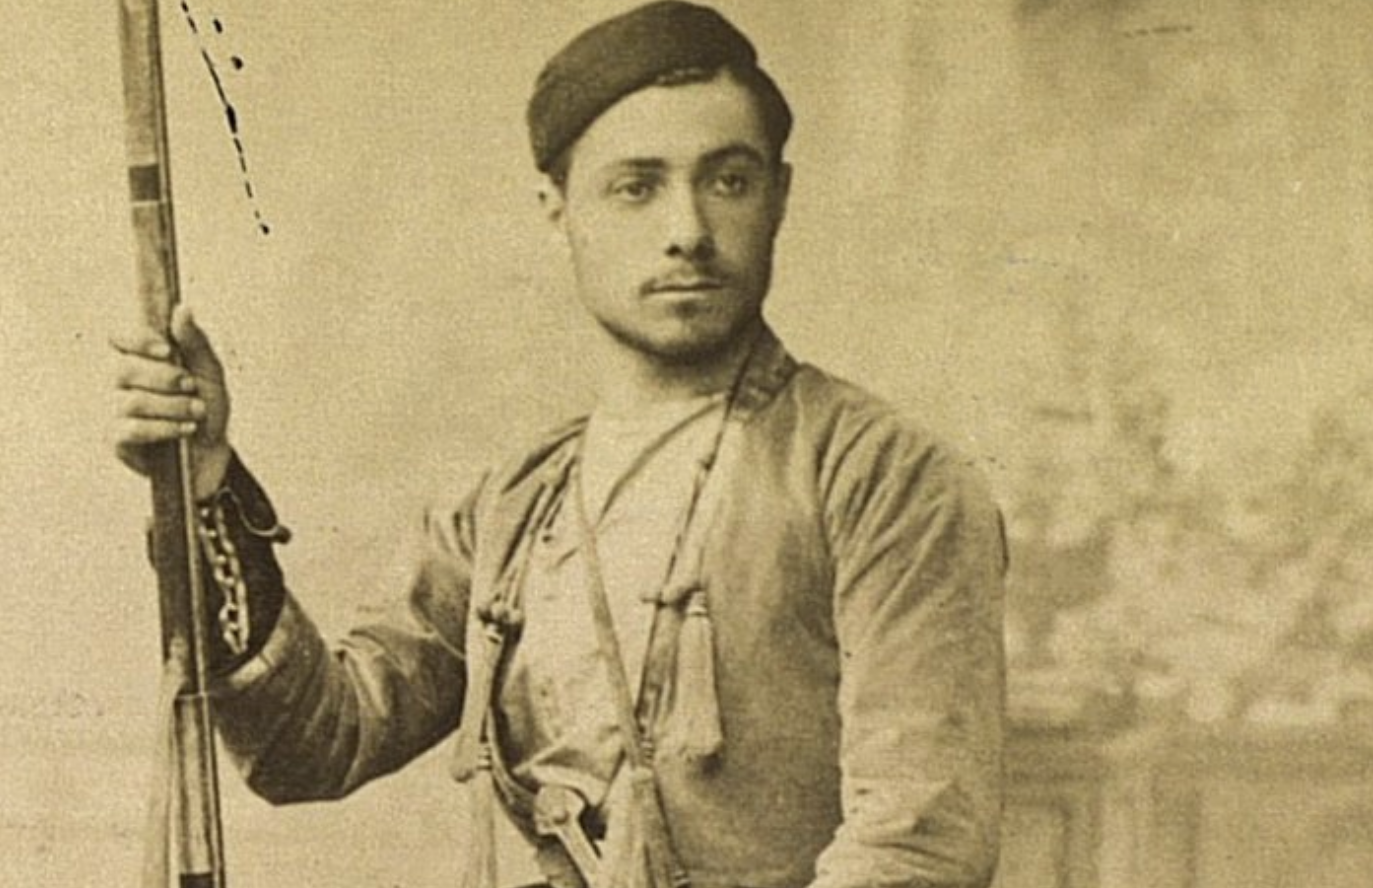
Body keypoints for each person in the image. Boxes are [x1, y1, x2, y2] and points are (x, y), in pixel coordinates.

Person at [110, 3, 1008, 887]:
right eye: (637, 185)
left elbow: (915, 849)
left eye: (728, 179)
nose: (687, 229)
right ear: (558, 209)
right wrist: (209, 481)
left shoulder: (889, 481)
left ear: (780, 196)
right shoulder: (512, 508)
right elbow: (313, 744)